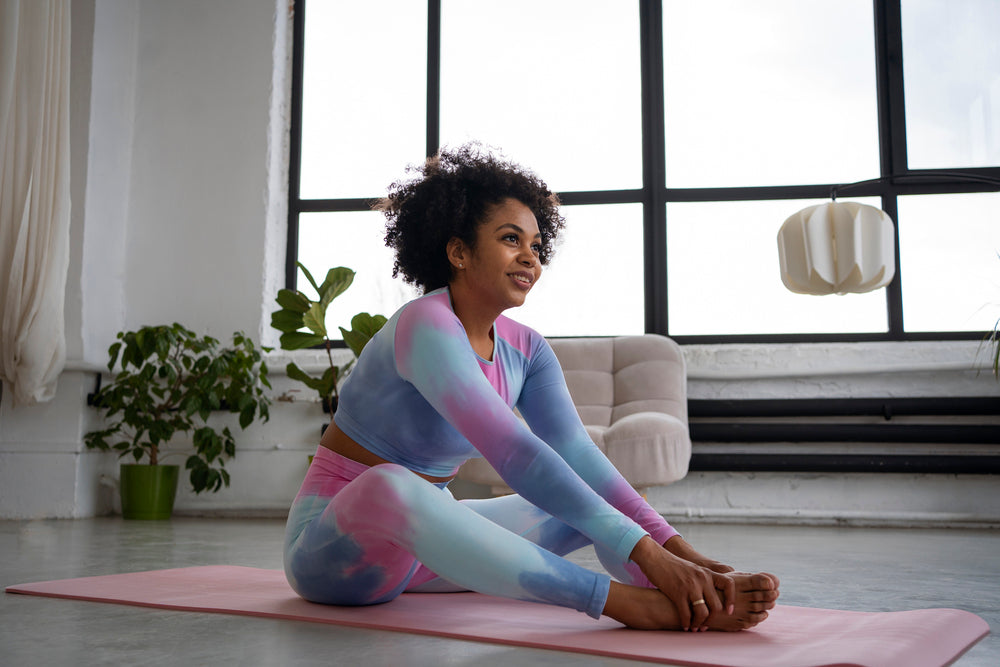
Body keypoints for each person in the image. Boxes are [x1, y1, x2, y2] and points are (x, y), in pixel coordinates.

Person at [283, 144, 779, 631]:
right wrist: (646, 553)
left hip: (423, 557)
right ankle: (624, 604)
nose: (530, 258)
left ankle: (694, 594)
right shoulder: (425, 326)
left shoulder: (528, 350)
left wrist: (684, 555)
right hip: (334, 555)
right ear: (458, 251)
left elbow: (581, 460)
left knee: (588, 502)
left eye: (536, 246)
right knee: (393, 485)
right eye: (510, 239)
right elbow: (512, 450)